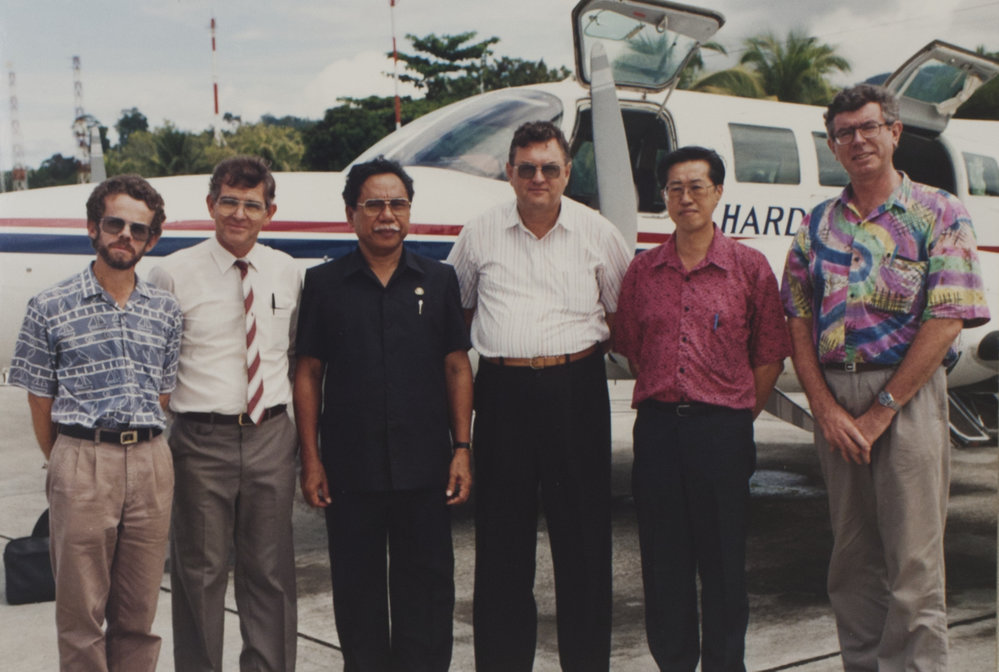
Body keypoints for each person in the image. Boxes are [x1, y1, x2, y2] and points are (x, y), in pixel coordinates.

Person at [781, 84, 990, 671]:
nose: (858, 140)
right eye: (844, 133)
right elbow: (797, 316)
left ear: (894, 132)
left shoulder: (939, 212)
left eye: (869, 127)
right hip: (835, 399)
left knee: (914, 565)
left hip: (909, 397)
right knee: (851, 562)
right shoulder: (817, 225)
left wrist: (881, 412)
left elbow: (948, 318)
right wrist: (824, 408)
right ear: (833, 145)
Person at [447, 120, 631, 671]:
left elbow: (622, 316)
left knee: (584, 541)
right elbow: (457, 316)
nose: (538, 178)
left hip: (575, 392)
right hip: (502, 394)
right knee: (501, 543)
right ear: (509, 172)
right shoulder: (479, 233)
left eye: (550, 168)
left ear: (568, 173)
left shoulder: (599, 233)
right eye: (526, 168)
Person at [614, 146, 790, 671]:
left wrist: (734, 414)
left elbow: (769, 354)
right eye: (675, 188)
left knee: (723, 563)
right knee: (662, 561)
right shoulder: (643, 271)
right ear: (664, 197)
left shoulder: (749, 268)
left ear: (718, 193)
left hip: (722, 432)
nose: (685, 197)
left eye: (697, 186)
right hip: (658, 431)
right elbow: (633, 347)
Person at [294, 157, 473, 671]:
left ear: (410, 211)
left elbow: (457, 367)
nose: (387, 215)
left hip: (426, 467)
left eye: (398, 204)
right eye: (373, 204)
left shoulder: (439, 280)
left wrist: (462, 449)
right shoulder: (324, 284)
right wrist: (311, 459)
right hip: (352, 469)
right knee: (358, 596)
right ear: (351, 213)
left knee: (428, 594)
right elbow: (308, 372)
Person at [9, 175, 181, 671]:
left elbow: (162, 393)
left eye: (138, 229)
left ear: (151, 240)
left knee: (139, 614)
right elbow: (39, 399)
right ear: (92, 227)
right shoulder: (49, 306)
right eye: (114, 223)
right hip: (83, 458)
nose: (125, 235)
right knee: (81, 615)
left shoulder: (166, 311)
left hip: (151, 462)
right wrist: (67, 460)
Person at [148, 156, 302, 672]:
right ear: (211, 205)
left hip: (270, 436)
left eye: (252, 205)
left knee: (270, 573)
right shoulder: (172, 272)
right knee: (200, 573)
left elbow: (293, 351)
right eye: (229, 202)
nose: (239, 214)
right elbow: (158, 362)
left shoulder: (287, 271)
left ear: (270, 212)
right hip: (200, 441)